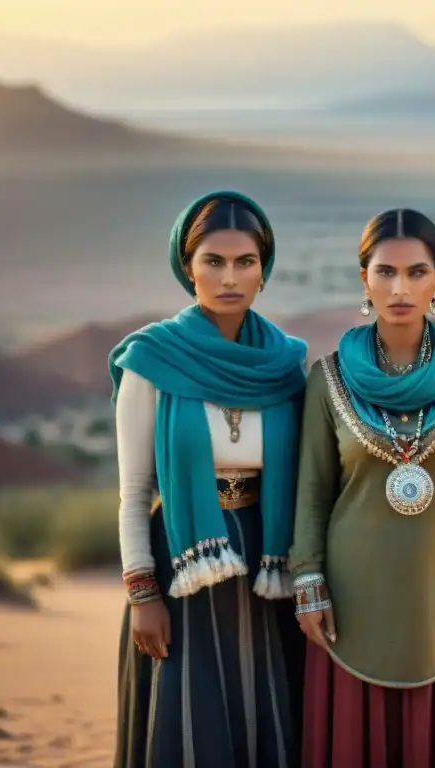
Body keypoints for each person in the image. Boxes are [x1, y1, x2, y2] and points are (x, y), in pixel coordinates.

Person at [289, 208, 435, 767]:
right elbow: (312, 491)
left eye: (416, 272)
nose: (400, 287)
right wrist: (309, 581)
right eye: (385, 272)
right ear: (364, 278)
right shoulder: (329, 376)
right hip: (351, 596)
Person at [111, 191, 308, 768]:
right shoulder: (150, 361)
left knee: (267, 711)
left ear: (263, 270)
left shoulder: (285, 362)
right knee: (192, 722)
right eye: (213, 262)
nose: (229, 277)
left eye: (244, 262)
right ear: (187, 268)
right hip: (182, 565)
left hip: (269, 565)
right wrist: (142, 594)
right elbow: (133, 492)